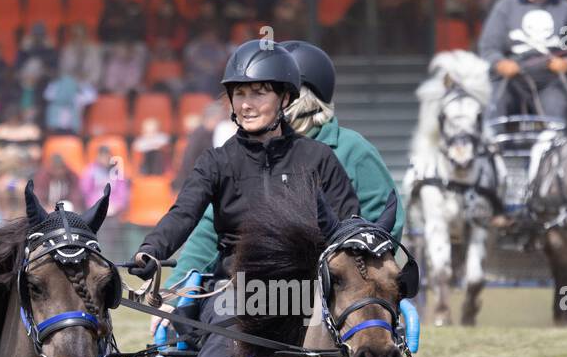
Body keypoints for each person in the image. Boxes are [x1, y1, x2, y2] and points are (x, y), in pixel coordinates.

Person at [128, 40, 361, 357]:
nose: (247, 104)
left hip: (306, 295)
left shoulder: (318, 159)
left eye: (259, 92)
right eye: (239, 94)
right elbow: (182, 214)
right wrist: (151, 250)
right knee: (227, 341)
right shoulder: (216, 161)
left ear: (285, 99)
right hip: (234, 294)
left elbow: (349, 228)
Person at [165, 39, 404, 306]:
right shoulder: (242, 155)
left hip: (333, 289)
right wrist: (176, 291)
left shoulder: (351, 150)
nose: (250, 104)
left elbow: (381, 224)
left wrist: (355, 278)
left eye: (264, 91)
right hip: (252, 292)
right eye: (244, 92)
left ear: (295, 97)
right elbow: (208, 231)